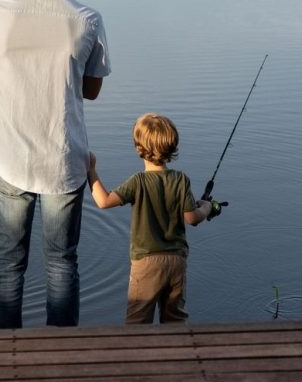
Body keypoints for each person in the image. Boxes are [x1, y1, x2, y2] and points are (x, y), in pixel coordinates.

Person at [0, 0, 111, 329]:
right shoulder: (88, 19)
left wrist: (8, 13)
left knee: (7, 264)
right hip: (64, 159)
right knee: (62, 263)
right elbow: (90, 90)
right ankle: (62, 354)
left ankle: (4, 352)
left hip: (9, 157)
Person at [87, 112, 221, 324]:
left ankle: (140, 355)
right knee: (175, 320)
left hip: (145, 263)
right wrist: (206, 208)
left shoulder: (137, 182)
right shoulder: (180, 179)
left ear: (138, 147)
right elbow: (192, 218)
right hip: (177, 261)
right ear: (172, 147)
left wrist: (91, 171)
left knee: (137, 323)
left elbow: (103, 201)